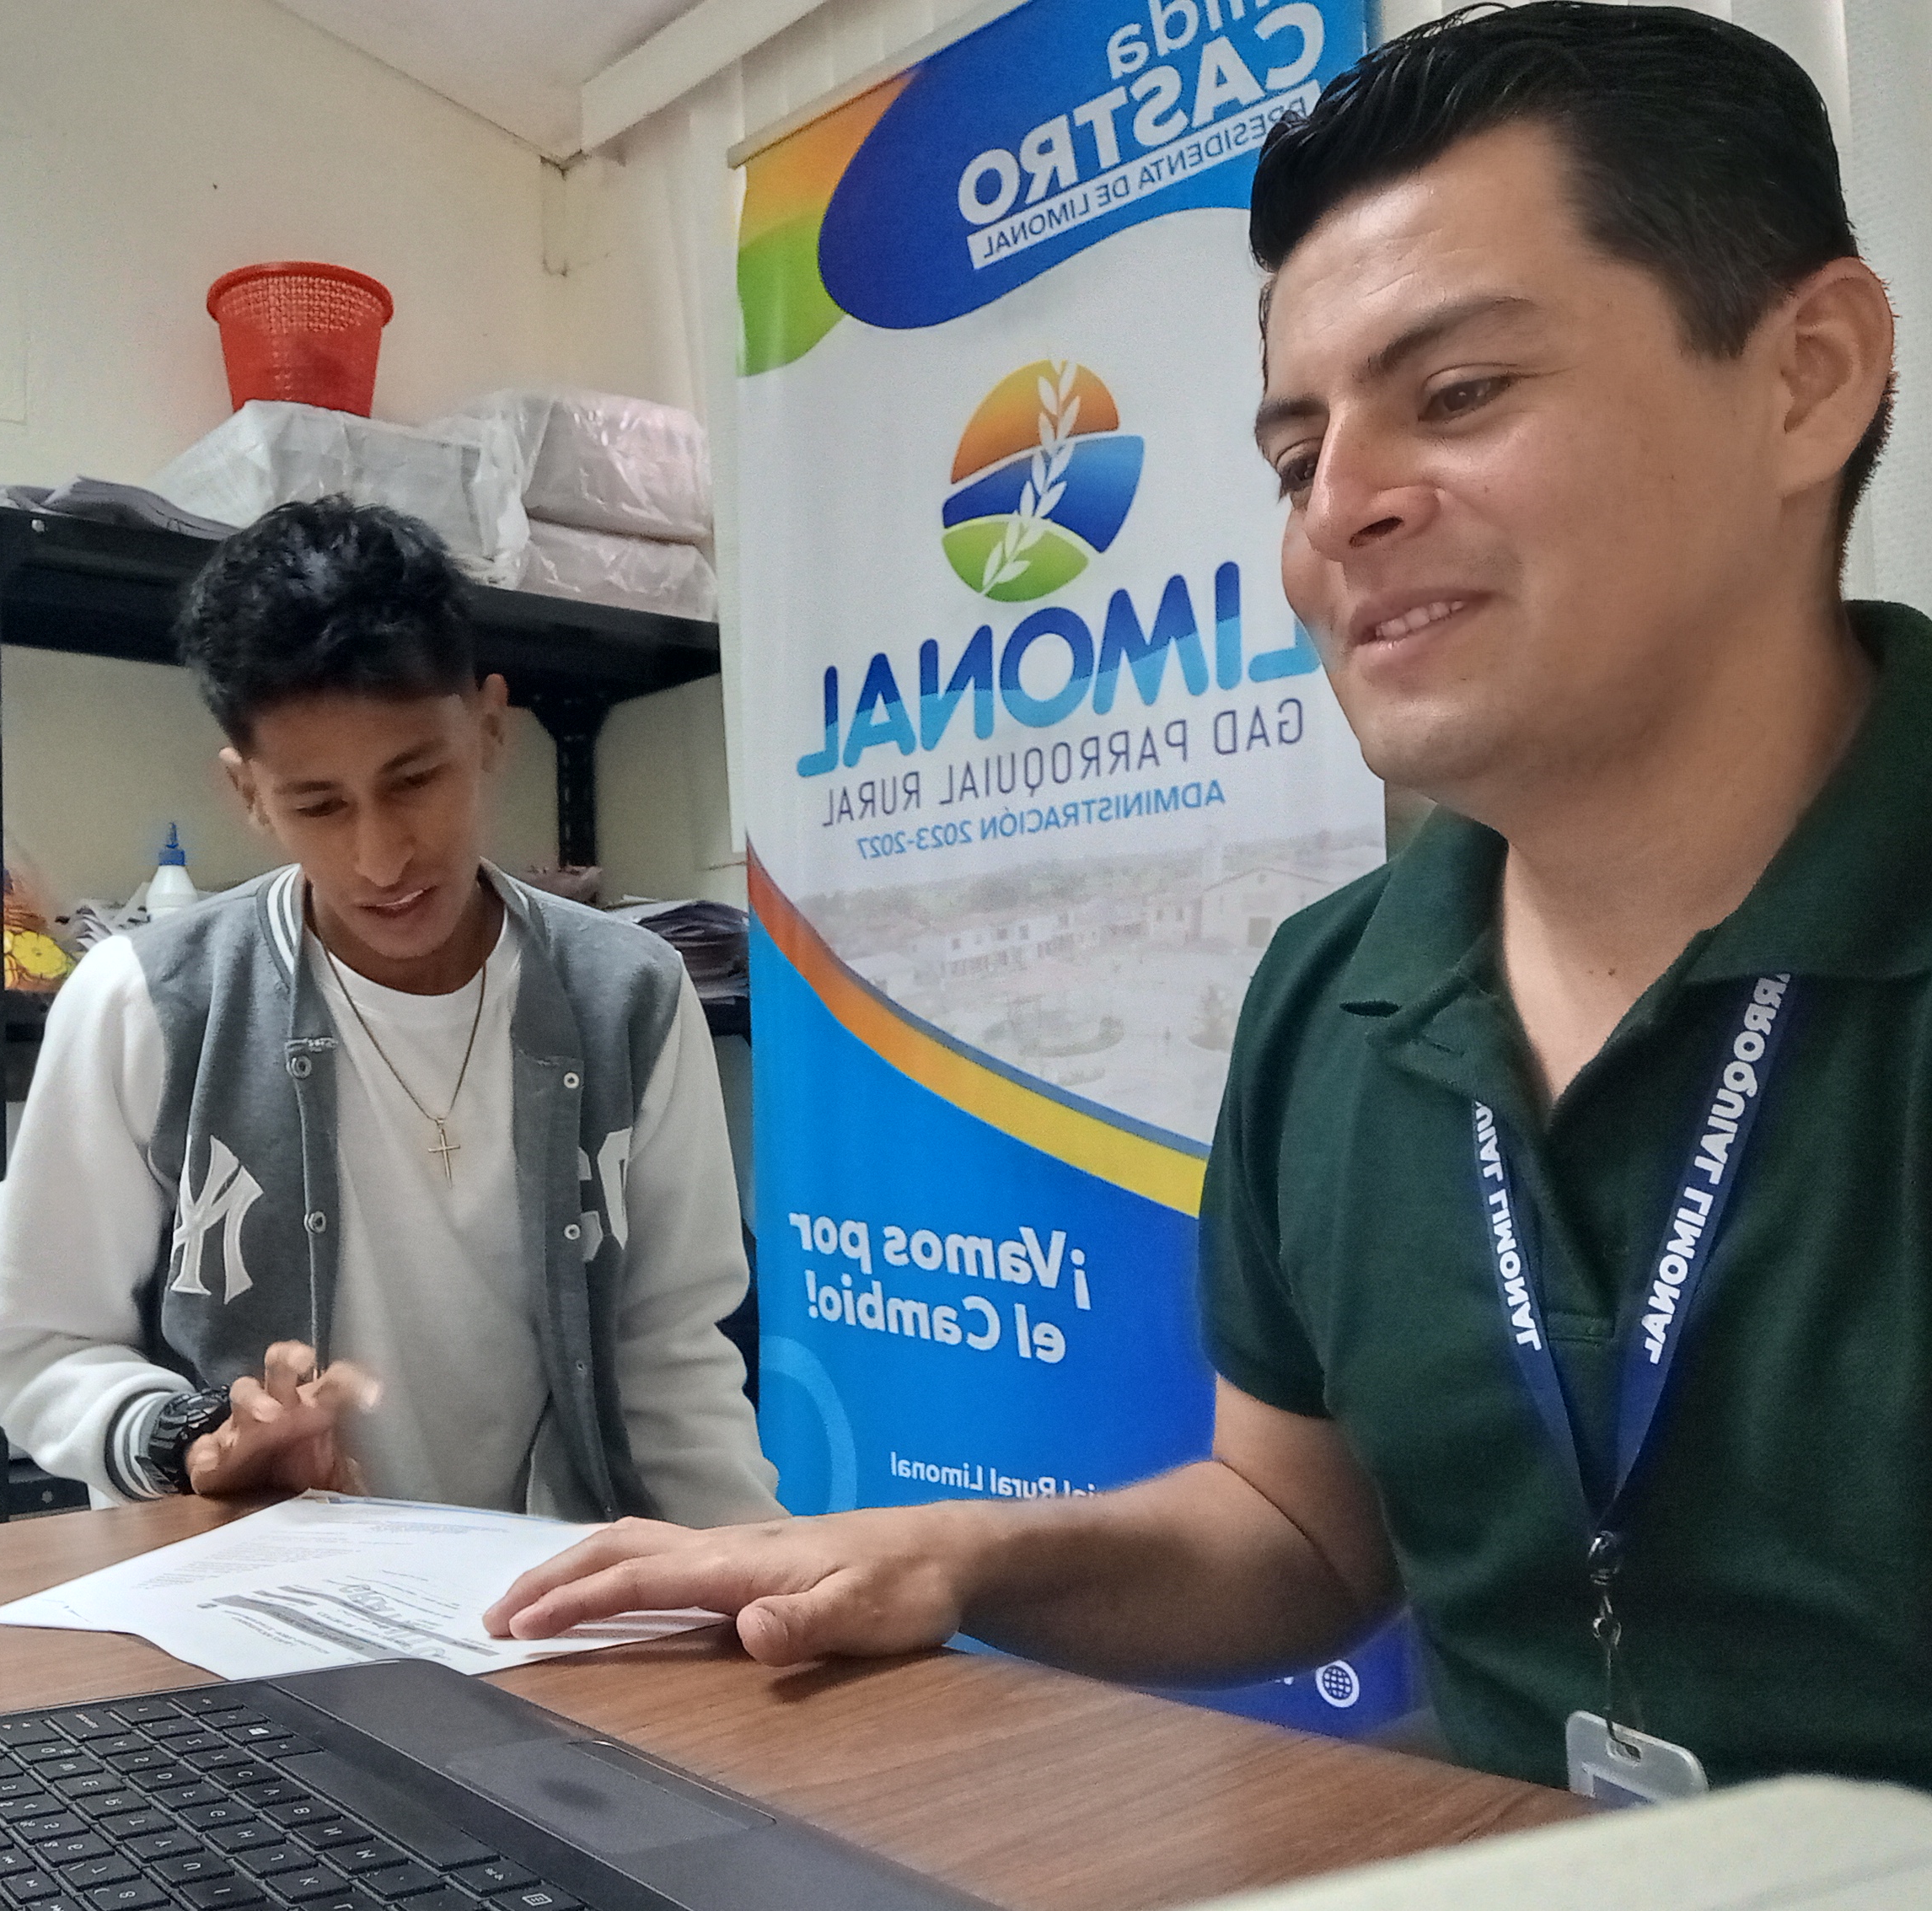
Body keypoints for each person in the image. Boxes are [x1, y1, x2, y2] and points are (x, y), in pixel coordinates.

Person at [490, 3, 1930, 1795]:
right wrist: (949, 1555)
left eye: (1457, 394)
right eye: (1295, 457)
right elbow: (1300, 1530)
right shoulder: (1331, 990)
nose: (1339, 514)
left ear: (1806, 376)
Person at [0, 497, 781, 1527]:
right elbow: (40, 1345)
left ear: (490, 728)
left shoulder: (631, 995)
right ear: (247, 793)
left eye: (415, 779)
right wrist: (191, 1437)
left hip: (550, 1579)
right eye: (319, 805)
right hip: (257, 1583)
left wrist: (754, 1569)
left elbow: (671, 1358)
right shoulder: (144, 1004)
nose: (382, 857)